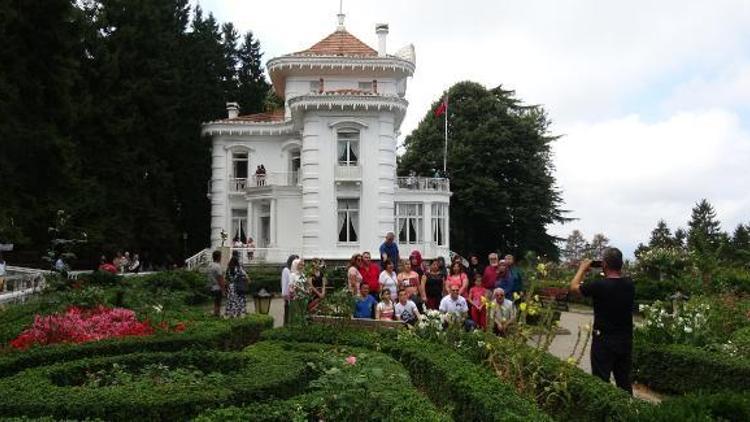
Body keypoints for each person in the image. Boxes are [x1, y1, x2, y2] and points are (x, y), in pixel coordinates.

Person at [569, 247, 634, 395]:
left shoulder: (598, 285)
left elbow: (573, 287)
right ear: (621, 264)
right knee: (624, 381)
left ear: (604, 264)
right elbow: (617, 278)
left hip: (604, 340)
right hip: (625, 340)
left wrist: (582, 269)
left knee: (600, 382)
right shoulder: (629, 285)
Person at [225, 253, 248, 318]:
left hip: (231, 287)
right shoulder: (239, 268)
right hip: (238, 286)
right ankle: (239, 313)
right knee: (239, 300)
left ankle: (231, 314)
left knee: (231, 300)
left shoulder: (228, 269)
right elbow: (245, 277)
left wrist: (226, 288)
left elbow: (226, 279)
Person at [288, 258, 310, 325]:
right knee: (296, 316)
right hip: (296, 299)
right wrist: (301, 290)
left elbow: (306, 285)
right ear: (295, 265)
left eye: (303, 265)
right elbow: (291, 287)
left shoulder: (303, 275)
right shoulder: (293, 275)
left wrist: (308, 290)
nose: (302, 266)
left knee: (303, 314)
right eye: (300, 265)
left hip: (304, 298)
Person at [206, 250, 226, 317]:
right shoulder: (218, 266)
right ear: (218, 257)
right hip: (217, 287)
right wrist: (223, 290)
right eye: (220, 256)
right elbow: (220, 279)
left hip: (211, 286)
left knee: (215, 302)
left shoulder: (210, 265)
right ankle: (217, 315)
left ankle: (215, 314)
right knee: (218, 303)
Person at [281, 254, 299, 325]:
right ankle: (286, 325)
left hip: (294, 296)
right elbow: (284, 283)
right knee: (288, 312)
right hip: (288, 295)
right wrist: (285, 295)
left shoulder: (294, 271)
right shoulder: (286, 270)